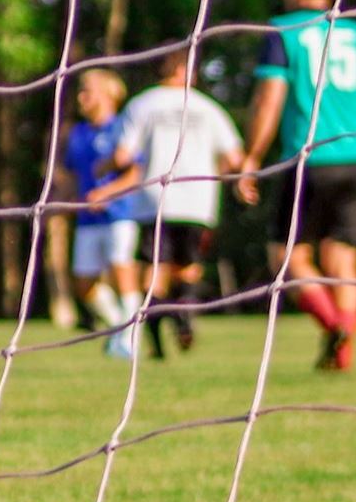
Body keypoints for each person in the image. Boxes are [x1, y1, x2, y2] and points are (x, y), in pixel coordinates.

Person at [236, 0, 356, 371]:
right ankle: (341, 355)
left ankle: (333, 327)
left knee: (287, 257)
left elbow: (270, 98)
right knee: (343, 258)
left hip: (309, 156)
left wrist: (252, 157)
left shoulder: (284, 30)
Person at [89, 49, 245, 360]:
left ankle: (158, 346)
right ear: (190, 73)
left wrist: (103, 169)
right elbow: (235, 158)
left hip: (154, 201)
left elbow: (122, 156)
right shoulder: (208, 107)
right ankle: (183, 319)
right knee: (187, 271)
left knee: (153, 275)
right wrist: (218, 177)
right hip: (199, 202)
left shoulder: (142, 104)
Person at [58, 69, 145, 360]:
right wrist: (61, 203)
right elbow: (71, 175)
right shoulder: (79, 133)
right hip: (87, 219)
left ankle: (130, 341)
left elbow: (137, 173)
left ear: (109, 94)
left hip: (121, 214)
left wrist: (107, 193)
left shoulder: (123, 127)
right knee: (83, 283)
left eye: (88, 91)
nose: (81, 97)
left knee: (122, 270)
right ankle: (118, 331)